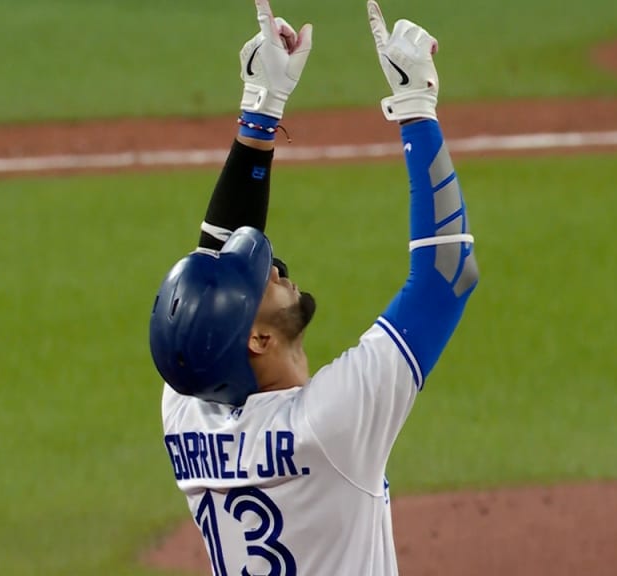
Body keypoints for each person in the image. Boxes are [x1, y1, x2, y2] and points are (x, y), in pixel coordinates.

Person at [148, 0, 479, 573]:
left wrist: (261, 112)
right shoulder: (329, 427)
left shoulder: (189, 410)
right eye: (261, 280)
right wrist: (416, 106)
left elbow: (210, 271)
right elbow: (445, 276)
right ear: (256, 340)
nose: (273, 267)